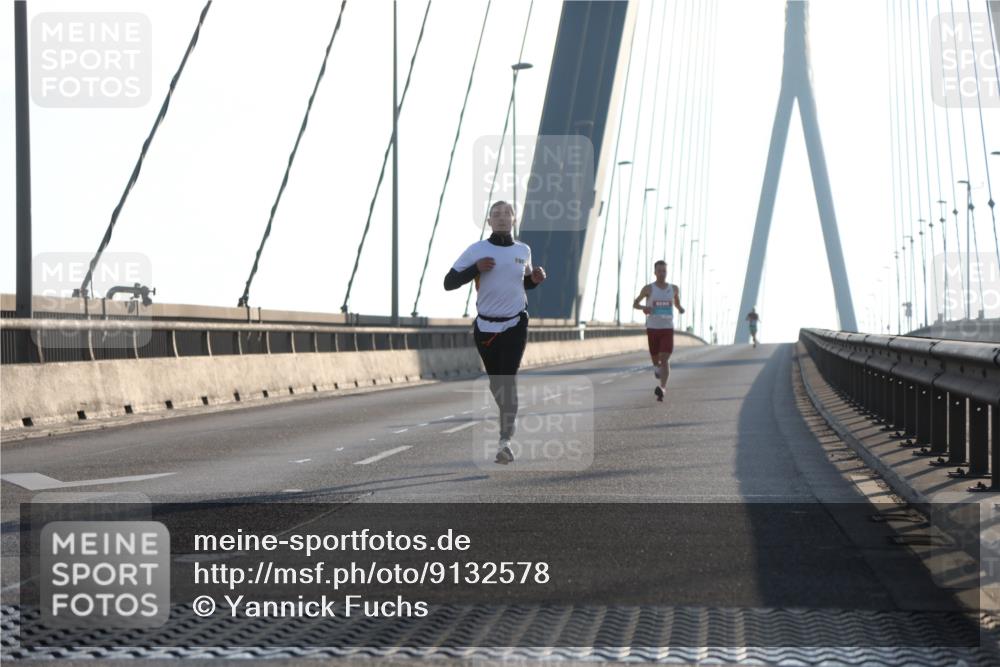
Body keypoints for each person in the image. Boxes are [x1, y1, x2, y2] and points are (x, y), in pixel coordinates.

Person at [443, 201, 546, 464]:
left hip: (515, 322)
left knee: (507, 380)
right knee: (496, 383)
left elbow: (521, 283)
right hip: (485, 327)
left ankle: (505, 441)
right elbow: (448, 283)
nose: (501, 219)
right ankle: (507, 422)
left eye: (506, 214)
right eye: (496, 215)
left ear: (514, 219)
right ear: (489, 222)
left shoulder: (523, 250)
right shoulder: (477, 250)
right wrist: (475, 269)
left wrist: (532, 280)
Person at [632, 260, 685, 402]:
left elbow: (677, 302)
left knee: (665, 358)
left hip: (667, 328)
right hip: (653, 328)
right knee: (656, 359)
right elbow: (635, 303)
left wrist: (679, 308)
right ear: (655, 272)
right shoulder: (648, 289)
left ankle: (662, 388)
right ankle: (656, 367)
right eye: (660, 271)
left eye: (664, 271)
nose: (662, 274)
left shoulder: (674, 289)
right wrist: (644, 307)